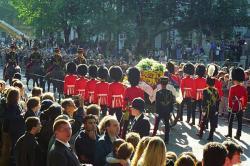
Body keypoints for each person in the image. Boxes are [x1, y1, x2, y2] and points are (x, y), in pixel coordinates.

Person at [225, 67, 248, 140]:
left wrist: (230, 106)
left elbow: (230, 98)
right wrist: (244, 106)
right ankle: (238, 135)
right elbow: (245, 98)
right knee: (239, 122)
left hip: (233, 106)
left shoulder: (232, 87)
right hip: (240, 106)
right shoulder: (243, 88)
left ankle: (230, 134)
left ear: (234, 79)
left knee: (230, 121)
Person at [122, 67, 144, 138]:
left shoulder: (127, 89)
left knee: (124, 124)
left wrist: (124, 109)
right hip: (137, 111)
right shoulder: (140, 90)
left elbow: (125, 101)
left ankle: (122, 136)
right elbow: (142, 102)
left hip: (128, 110)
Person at [152, 76, 175, 144]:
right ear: (167, 83)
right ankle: (166, 139)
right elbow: (172, 103)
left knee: (156, 124)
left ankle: (153, 136)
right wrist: (171, 111)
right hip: (167, 111)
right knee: (167, 125)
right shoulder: (170, 92)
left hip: (159, 111)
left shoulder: (158, 92)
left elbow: (157, 104)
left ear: (161, 84)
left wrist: (156, 111)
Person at [196, 76, 220, 141]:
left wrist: (203, 109)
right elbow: (218, 101)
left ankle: (200, 134)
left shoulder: (205, 90)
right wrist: (217, 110)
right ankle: (211, 137)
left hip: (207, 108)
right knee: (212, 123)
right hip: (214, 108)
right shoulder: (216, 90)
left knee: (203, 122)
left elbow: (204, 101)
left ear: (207, 83)